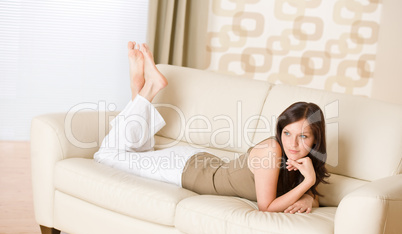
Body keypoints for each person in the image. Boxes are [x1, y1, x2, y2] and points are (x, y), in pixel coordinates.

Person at [94, 41, 329, 214]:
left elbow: (316, 197)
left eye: (303, 136)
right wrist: (307, 185)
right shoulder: (271, 150)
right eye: (287, 133)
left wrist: (310, 198)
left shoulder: (301, 161)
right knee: (106, 156)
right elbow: (266, 206)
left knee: (136, 151)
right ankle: (149, 87)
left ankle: (139, 87)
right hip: (186, 169)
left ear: (315, 141)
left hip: (200, 163)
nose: (293, 143)